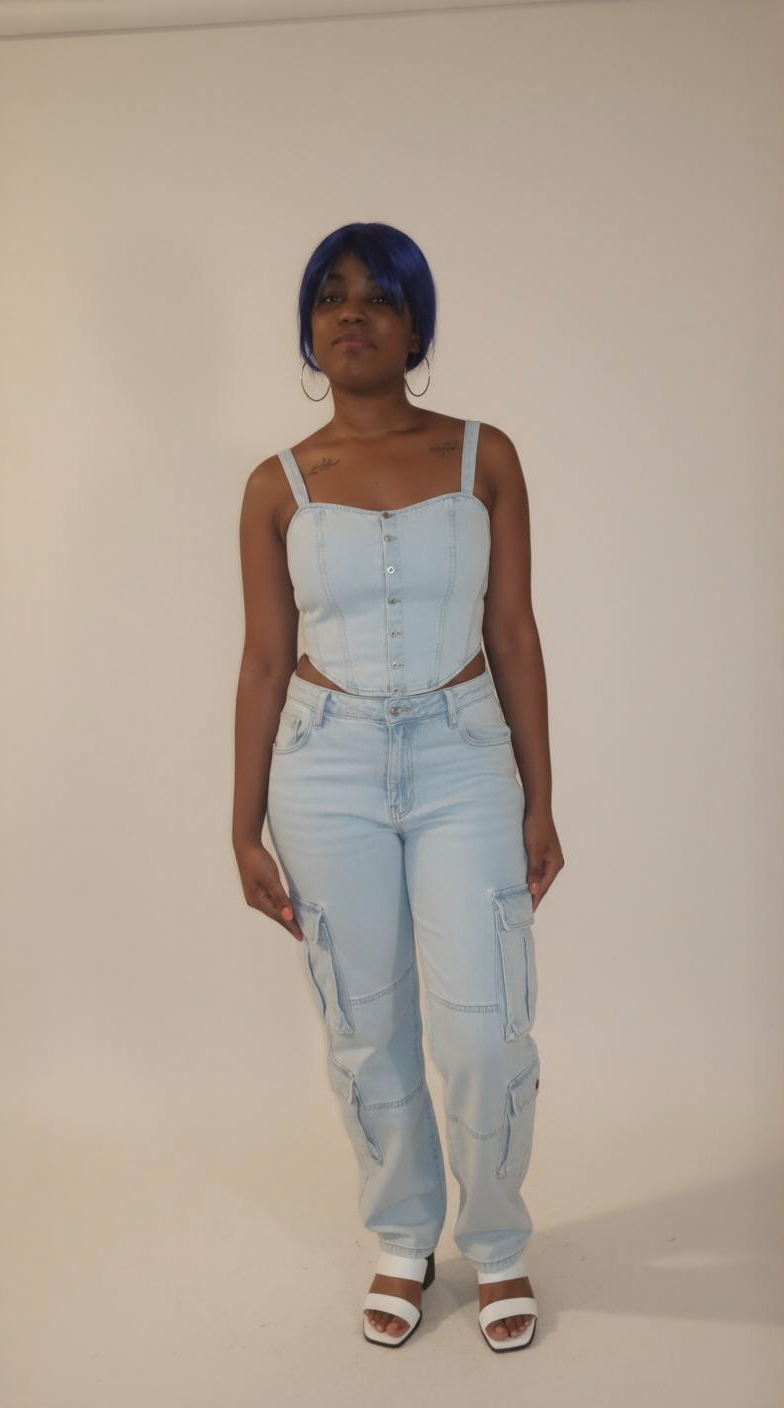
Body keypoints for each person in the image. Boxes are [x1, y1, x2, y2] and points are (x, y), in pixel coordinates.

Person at [232, 222, 565, 1352]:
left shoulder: (484, 458)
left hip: (463, 757)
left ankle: (499, 1241)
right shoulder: (276, 485)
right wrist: (242, 826)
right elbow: (264, 660)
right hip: (321, 765)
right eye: (330, 296)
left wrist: (540, 799)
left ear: (416, 325)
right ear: (308, 327)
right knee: (363, 1024)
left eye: (378, 296)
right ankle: (402, 1235)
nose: (351, 314)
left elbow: (513, 632)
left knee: (485, 1028)